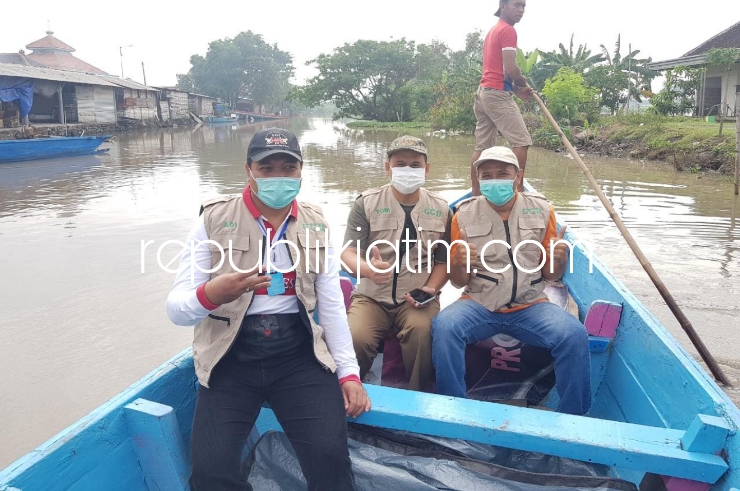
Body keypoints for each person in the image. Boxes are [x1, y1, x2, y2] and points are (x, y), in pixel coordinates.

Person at [166, 128, 370, 490]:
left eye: (288, 168)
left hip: (298, 354)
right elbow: (178, 310)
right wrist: (213, 293)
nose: (278, 176)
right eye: (267, 167)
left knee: (330, 457)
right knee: (211, 473)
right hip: (230, 356)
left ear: (301, 171)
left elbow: (332, 306)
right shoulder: (212, 221)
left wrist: (349, 374)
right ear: (249, 171)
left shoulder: (316, 223)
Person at [432, 146, 591, 415]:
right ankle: (452, 409)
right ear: (479, 180)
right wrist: (457, 263)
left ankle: (574, 419)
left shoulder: (542, 210)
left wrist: (559, 258)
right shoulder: (463, 214)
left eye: (503, 173)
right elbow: (459, 283)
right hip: (479, 303)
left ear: (518, 176)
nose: (495, 180)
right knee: (445, 328)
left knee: (574, 335)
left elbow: (551, 276)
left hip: (531, 306)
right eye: (487, 175)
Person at [342, 136, 451, 392]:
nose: (408, 170)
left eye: (415, 164)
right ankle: (348, 393)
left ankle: (418, 395)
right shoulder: (366, 203)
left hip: (417, 299)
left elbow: (443, 261)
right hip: (371, 298)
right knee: (354, 337)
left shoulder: (443, 209)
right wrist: (366, 269)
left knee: (423, 333)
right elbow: (348, 252)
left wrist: (430, 290)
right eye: (400, 163)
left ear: (427, 168)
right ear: (387, 167)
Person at [472, 0, 534, 195]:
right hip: (497, 95)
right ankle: (518, 189)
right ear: (503, 6)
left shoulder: (493, 30)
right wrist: (522, 83)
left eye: (523, 6)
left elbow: (498, 71)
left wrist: (515, 89)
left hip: (484, 93)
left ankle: (476, 193)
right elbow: (511, 69)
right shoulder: (508, 30)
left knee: (482, 147)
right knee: (521, 142)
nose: (521, 10)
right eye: (517, 5)